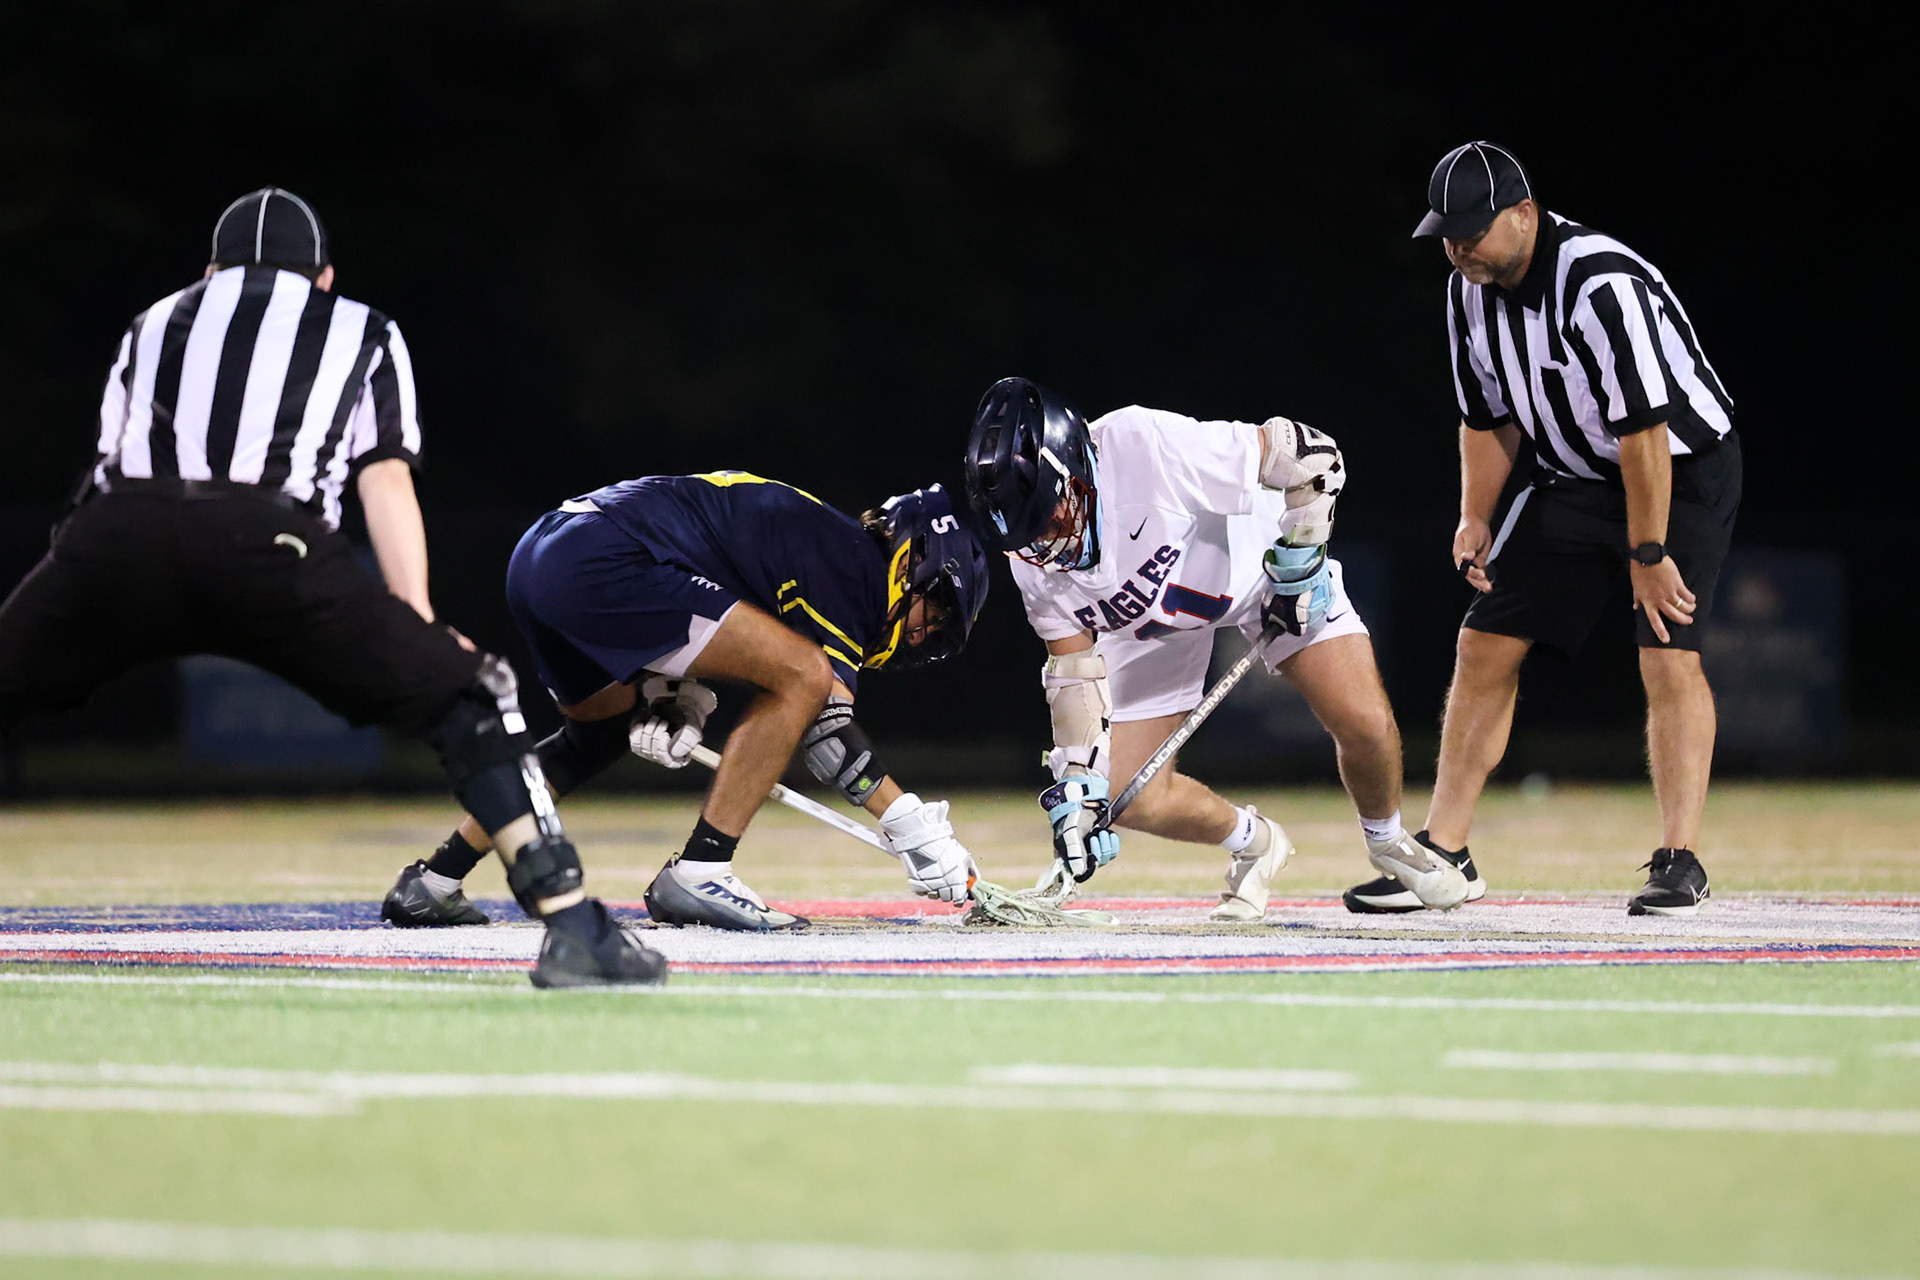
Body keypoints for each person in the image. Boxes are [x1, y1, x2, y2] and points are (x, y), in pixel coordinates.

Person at [0, 187, 663, 987]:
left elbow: (109, 466)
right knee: (471, 698)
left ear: (210, 273)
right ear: (323, 278)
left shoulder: (153, 322)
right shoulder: (361, 326)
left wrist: (65, 587)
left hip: (120, 535)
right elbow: (384, 480)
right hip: (265, 542)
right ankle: (573, 926)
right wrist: (418, 620)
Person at [380, 473, 992, 931]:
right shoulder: (851, 564)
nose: (923, 633)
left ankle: (435, 880)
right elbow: (824, 725)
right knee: (805, 676)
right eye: (933, 609)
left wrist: (667, 696)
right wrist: (907, 821)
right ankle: (702, 869)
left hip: (548, 553)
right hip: (606, 558)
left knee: (594, 736)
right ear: (911, 559)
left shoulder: (819, 540)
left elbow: (707, 598)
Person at [1383, 140, 1740, 917]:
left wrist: (1649, 551)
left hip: (1677, 470)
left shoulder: (1599, 283)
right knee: (1484, 642)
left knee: (1668, 652)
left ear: (1523, 213)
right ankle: (1444, 854)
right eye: (1448, 234)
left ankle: (1680, 860)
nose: (1459, 248)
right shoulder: (1468, 290)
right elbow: (1486, 416)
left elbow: (1644, 433)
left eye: (1473, 230)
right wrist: (1476, 514)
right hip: (1573, 475)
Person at [961, 377, 1470, 919]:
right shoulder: (1031, 563)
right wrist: (1078, 786)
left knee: (1365, 723)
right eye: (1028, 535)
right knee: (1124, 794)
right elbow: (1074, 676)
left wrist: (1302, 557)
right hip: (1152, 626)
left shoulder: (1144, 447)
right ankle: (1256, 842)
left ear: (1078, 469)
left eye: (1050, 516)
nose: (1047, 544)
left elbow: (1311, 455)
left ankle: (1388, 841)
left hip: (1265, 577)